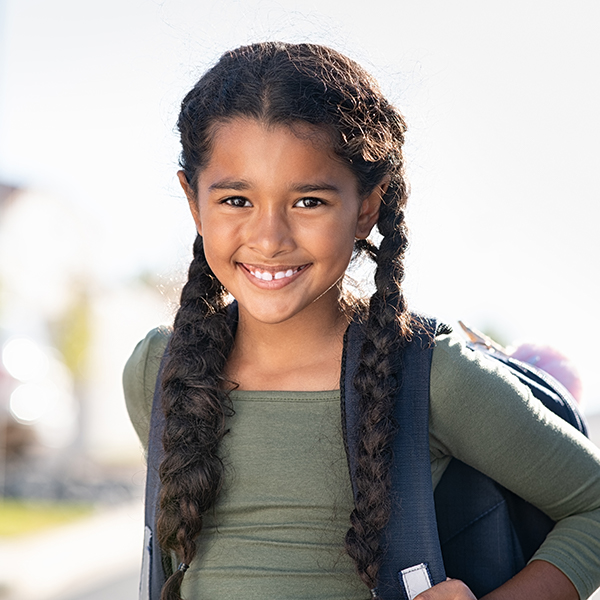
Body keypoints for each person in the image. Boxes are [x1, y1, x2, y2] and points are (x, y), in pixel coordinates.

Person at [123, 42, 600, 600]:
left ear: (367, 207)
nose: (269, 238)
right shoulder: (160, 371)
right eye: (235, 200)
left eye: (309, 202)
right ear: (193, 201)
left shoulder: (429, 377)